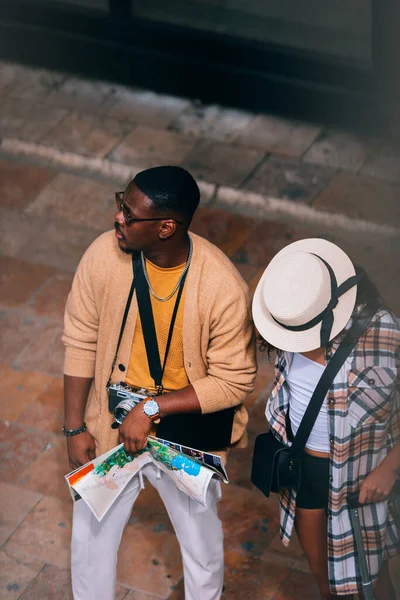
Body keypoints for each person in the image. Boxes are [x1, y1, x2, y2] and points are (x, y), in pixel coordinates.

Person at [62, 165, 256, 600]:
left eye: (130, 215)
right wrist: (75, 427)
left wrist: (151, 409)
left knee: (201, 546)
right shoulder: (102, 255)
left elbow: (234, 381)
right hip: (112, 426)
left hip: (185, 436)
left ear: (166, 227)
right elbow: (80, 340)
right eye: (121, 204)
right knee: (89, 540)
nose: (118, 219)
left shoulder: (222, 287)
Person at [252, 238, 399, 600]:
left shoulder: (383, 334)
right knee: (327, 582)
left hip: (360, 476)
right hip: (305, 473)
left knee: (373, 581)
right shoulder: (286, 315)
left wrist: (390, 468)